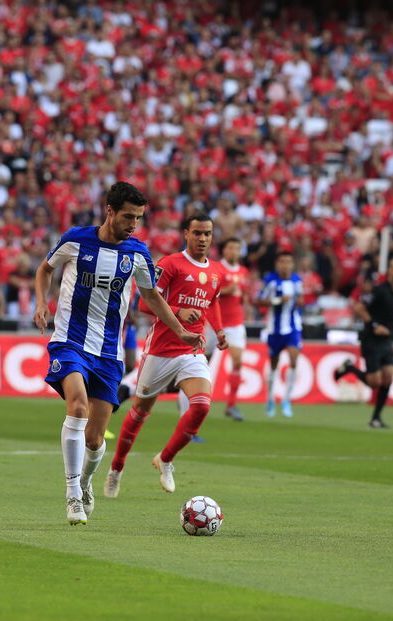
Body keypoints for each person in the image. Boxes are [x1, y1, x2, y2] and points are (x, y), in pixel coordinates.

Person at [33, 181, 204, 526]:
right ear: (109, 211)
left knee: (95, 440)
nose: (133, 224)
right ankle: (72, 493)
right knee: (77, 407)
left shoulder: (137, 253)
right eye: (128, 216)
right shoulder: (76, 239)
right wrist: (41, 303)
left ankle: (85, 481)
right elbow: (45, 269)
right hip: (70, 341)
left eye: (138, 218)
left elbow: (152, 297)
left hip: (109, 353)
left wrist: (180, 330)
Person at [104, 212, 227, 498]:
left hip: (192, 349)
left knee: (201, 406)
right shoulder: (170, 264)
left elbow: (212, 303)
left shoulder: (216, 271)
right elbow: (145, 304)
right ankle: (116, 468)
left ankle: (166, 459)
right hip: (160, 350)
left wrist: (219, 330)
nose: (202, 238)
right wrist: (178, 311)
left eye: (207, 233)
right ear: (186, 234)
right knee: (140, 412)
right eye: (197, 233)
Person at [335, 255, 393, 428]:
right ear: (389, 270)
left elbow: (391, 320)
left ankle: (376, 418)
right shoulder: (379, 290)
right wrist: (374, 325)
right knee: (374, 383)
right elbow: (359, 307)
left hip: (386, 340)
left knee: (388, 378)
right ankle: (349, 368)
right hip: (371, 340)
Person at [256, 251, 303, 418]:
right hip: (274, 329)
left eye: (288, 262)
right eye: (282, 262)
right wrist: (277, 300)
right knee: (273, 365)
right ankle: (270, 399)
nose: (285, 265)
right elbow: (258, 300)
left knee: (294, 360)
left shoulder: (297, 280)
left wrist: (300, 300)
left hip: (293, 327)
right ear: (277, 264)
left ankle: (286, 400)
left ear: (292, 264)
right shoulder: (270, 280)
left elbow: (301, 300)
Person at [217, 237, 248, 421]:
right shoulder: (216, 268)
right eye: (231, 248)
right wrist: (226, 291)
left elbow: (243, 296)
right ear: (224, 250)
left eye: (237, 248)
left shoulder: (243, 271)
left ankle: (231, 405)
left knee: (237, 362)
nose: (234, 251)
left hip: (236, 323)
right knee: (203, 362)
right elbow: (208, 292)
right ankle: (185, 396)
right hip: (215, 323)